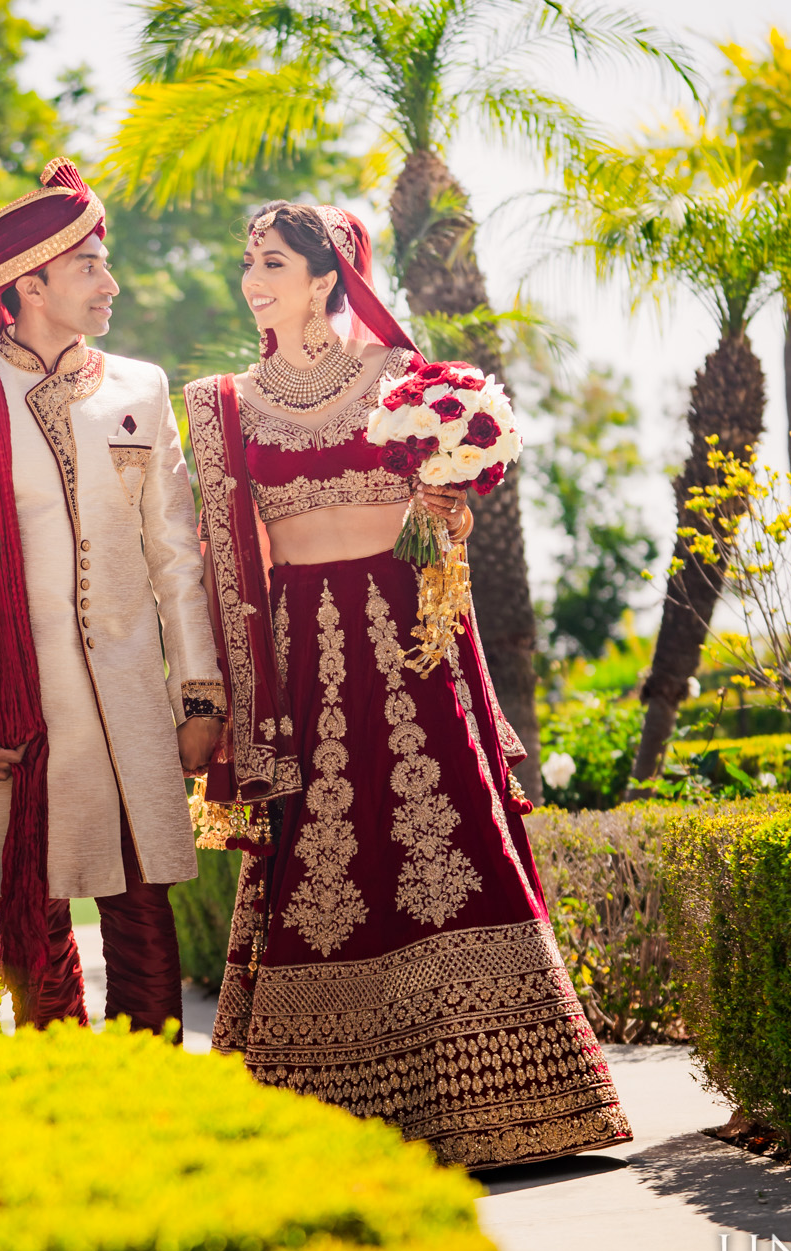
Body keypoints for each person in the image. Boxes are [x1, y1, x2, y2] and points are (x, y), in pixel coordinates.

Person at [187, 200, 631, 1169]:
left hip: (409, 642)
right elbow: (218, 560)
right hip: (302, 653)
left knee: (445, 839)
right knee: (323, 863)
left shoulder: (403, 381)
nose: (252, 280)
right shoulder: (224, 403)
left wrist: (446, 498)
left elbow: (447, 520)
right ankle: (324, 1108)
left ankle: (514, 1099)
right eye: (247, 262)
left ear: (324, 274)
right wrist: (227, 707)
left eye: (271, 261)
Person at [0, 158, 226, 1033]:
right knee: (31, 911)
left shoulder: (139, 388)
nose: (111, 283)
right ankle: (59, 1092)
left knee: (144, 905)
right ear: (29, 284)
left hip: (126, 707)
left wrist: (199, 693)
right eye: (89, 267)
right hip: (17, 710)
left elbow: (176, 558)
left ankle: (154, 1098)